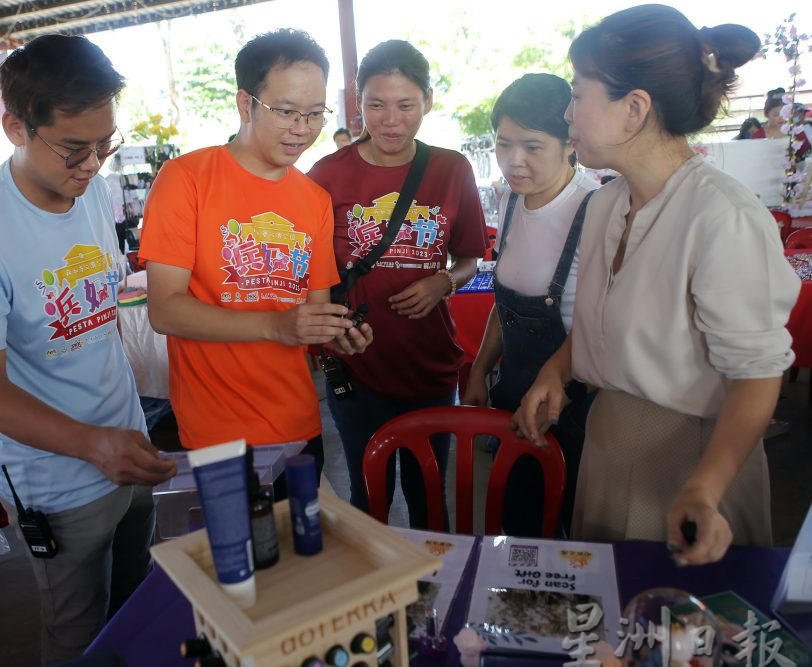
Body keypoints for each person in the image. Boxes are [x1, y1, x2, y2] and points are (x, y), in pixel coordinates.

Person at [514, 5, 800, 565]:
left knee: (675, 638)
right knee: (608, 638)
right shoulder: (605, 205)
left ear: (634, 108)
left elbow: (758, 375)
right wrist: (557, 371)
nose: (568, 114)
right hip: (607, 445)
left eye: (578, 94)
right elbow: (600, 320)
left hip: (691, 461)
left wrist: (705, 488)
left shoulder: (722, 216)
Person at [0, 34, 177, 662]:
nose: (93, 164)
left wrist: (124, 428)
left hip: (126, 443)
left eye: (105, 144)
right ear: (16, 126)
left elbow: (102, 307)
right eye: (74, 147)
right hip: (55, 477)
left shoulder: (89, 188)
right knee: (77, 634)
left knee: (134, 602)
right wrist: (94, 445)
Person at [139, 29, 372, 477]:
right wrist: (274, 325)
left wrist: (336, 332)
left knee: (300, 545)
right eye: (286, 111)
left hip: (298, 423)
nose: (302, 129)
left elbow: (313, 311)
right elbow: (164, 310)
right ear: (246, 104)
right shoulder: (185, 179)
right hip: (216, 434)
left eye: (314, 114)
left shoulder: (313, 199)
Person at [308, 40, 485, 528]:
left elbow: (471, 257)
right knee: (370, 498)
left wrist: (443, 282)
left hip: (429, 366)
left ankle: (433, 597)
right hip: (356, 365)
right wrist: (328, 329)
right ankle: (378, 598)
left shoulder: (452, 169)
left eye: (406, 105)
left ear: (427, 101)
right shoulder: (326, 175)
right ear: (357, 103)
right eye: (375, 105)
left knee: (429, 497)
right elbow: (311, 275)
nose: (390, 120)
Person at [461, 73, 598, 536]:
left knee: (575, 531)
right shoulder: (513, 203)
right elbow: (508, 301)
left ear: (570, 144)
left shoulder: (596, 210)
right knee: (519, 523)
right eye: (503, 144)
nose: (513, 162)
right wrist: (481, 369)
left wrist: (553, 379)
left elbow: (604, 323)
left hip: (576, 404)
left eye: (533, 147)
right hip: (514, 394)